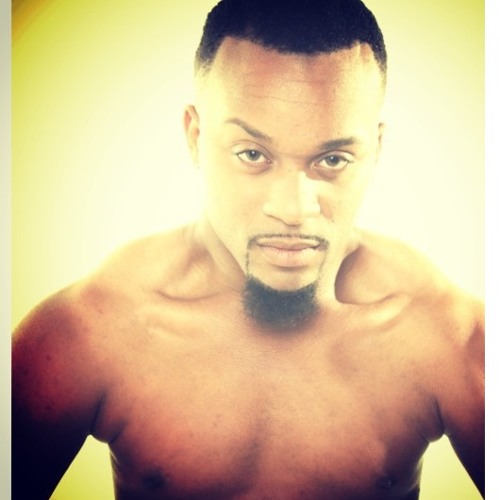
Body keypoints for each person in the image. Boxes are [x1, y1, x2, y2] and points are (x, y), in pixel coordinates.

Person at [12, 0, 484, 498]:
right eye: (252, 154)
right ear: (195, 137)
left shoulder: (444, 337)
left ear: (377, 150)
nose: (293, 209)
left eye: (332, 159)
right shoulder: (92, 332)